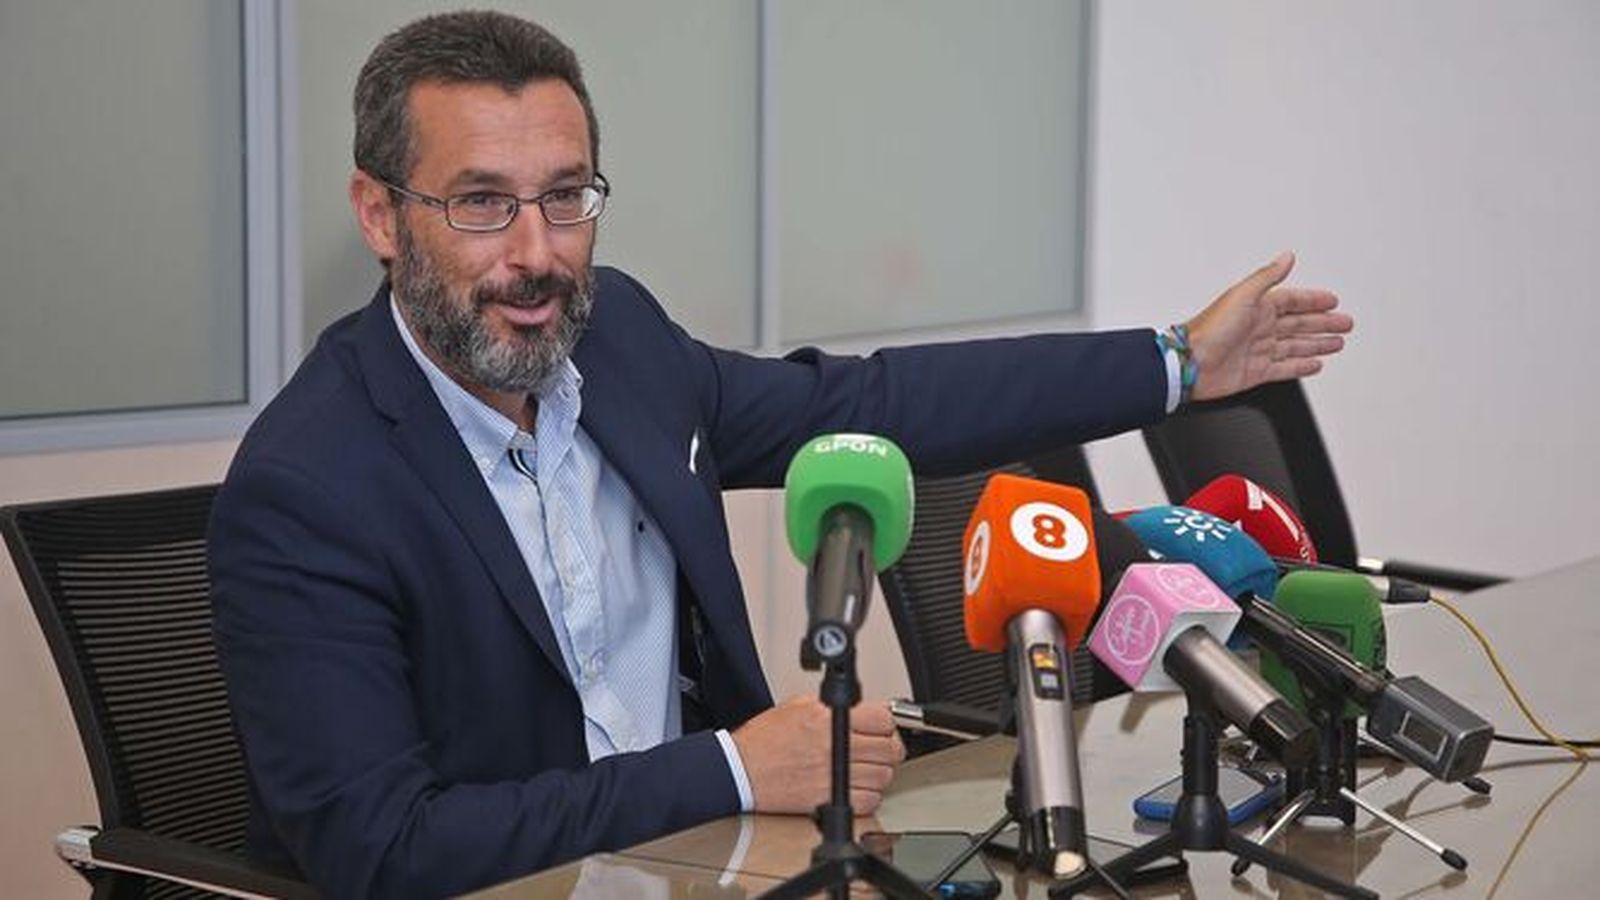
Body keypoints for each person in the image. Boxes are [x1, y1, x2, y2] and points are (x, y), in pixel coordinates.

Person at [208, 10, 1352, 899]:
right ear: (377, 214)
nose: (535, 255)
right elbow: (383, 852)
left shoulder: (625, 350)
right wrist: (739, 770)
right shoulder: (308, 486)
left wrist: (1176, 364)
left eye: (566, 198)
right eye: (480, 206)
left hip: (728, 867)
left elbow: (879, 402)